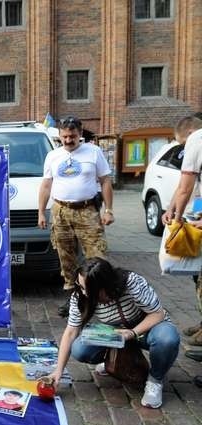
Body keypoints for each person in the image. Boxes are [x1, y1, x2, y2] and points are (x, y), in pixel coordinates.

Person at [46, 257, 179, 409]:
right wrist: (58, 370)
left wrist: (132, 333)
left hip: (147, 329)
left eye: (86, 288)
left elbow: (158, 314)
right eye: (79, 286)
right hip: (116, 333)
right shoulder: (79, 297)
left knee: (168, 338)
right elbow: (71, 332)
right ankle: (110, 359)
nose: (82, 292)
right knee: (79, 348)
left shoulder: (132, 282)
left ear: (103, 287)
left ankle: (155, 380)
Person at [37, 116, 114, 317]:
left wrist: (109, 210)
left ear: (80, 134)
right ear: (60, 136)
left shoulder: (94, 152)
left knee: (97, 257)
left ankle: (99, 300)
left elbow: (105, 181)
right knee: (66, 258)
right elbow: (46, 186)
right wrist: (41, 212)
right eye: (65, 136)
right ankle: (74, 299)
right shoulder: (53, 156)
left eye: (72, 136)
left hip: (87, 211)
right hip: (60, 212)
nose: (69, 140)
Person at [161, 115, 202, 347]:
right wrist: (171, 208)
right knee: (198, 274)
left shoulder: (197, 139)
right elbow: (184, 187)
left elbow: (185, 187)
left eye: (182, 145)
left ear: (189, 133)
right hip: (198, 213)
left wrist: (175, 221)